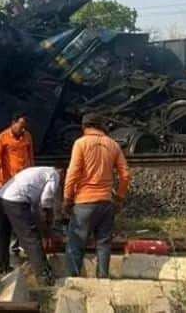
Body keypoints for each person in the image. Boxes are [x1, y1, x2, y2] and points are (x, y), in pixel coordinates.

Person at [62, 113, 130, 279]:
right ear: (102, 126)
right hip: (106, 202)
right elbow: (126, 175)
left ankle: (74, 281)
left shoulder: (81, 143)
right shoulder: (113, 144)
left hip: (84, 201)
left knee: (76, 244)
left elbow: (73, 174)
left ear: (84, 127)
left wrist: (67, 199)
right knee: (104, 244)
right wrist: (119, 198)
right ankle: (102, 280)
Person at [0, 165, 61, 285]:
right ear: (62, 171)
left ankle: (1, 266)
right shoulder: (54, 175)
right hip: (15, 200)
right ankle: (44, 276)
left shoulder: (39, 173)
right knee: (31, 237)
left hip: (1, 196)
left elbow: (35, 210)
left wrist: (45, 228)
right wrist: (49, 218)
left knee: (4, 233)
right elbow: (46, 200)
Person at [0, 112, 34, 256]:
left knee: (25, 216)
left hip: (25, 184)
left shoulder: (27, 137)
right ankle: (9, 252)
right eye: (20, 125)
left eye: (24, 126)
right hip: (9, 185)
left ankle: (21, 247)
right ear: (13, 123)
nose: (22, 129)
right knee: (8, 220)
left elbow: (30, 158)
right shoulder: (2, 138)